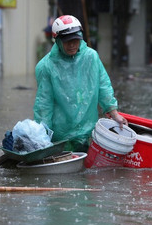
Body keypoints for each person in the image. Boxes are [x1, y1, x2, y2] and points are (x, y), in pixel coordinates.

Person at [33, 15, 127, 151]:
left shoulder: (91, 57)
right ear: (58, 41)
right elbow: (44, 104)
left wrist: (114, 114)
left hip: (88, 132)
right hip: (61, 135)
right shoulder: (46, 66)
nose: (72, 45)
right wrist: (41, 136)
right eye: (67, 41)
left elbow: (103, 86)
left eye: (75, 40)